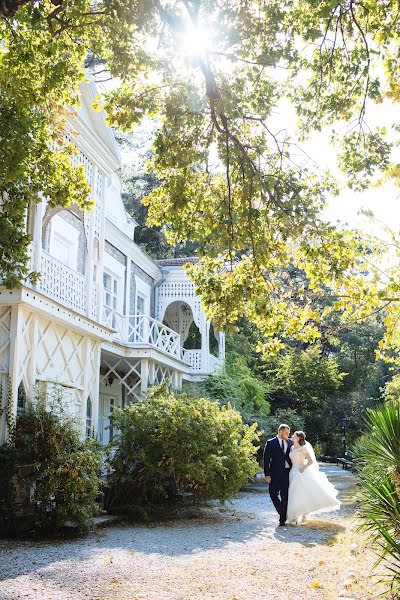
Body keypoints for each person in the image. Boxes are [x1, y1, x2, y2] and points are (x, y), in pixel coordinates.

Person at [286, 431, 340, 525]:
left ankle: (301, 515)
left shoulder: (303, 449)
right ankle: (294, 516)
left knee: (300, 492)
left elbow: (310, 461)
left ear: (298, 438)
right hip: (293, 471)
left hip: (301, 471)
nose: (292, 436)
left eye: (294, 436)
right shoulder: (292, 448)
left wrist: (303, 468)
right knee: (292, 493)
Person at [263, 423, 293, 526]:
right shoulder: (271, 443)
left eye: (288, 433)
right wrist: (267, 474)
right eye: (286, 433)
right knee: (272, 494)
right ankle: (282, 512)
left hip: (287, 473)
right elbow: (266, 459)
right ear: (280, 432)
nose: (287, 435)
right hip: (274, 473)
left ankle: (282, 519)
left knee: (285, 495)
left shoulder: (290, 443)